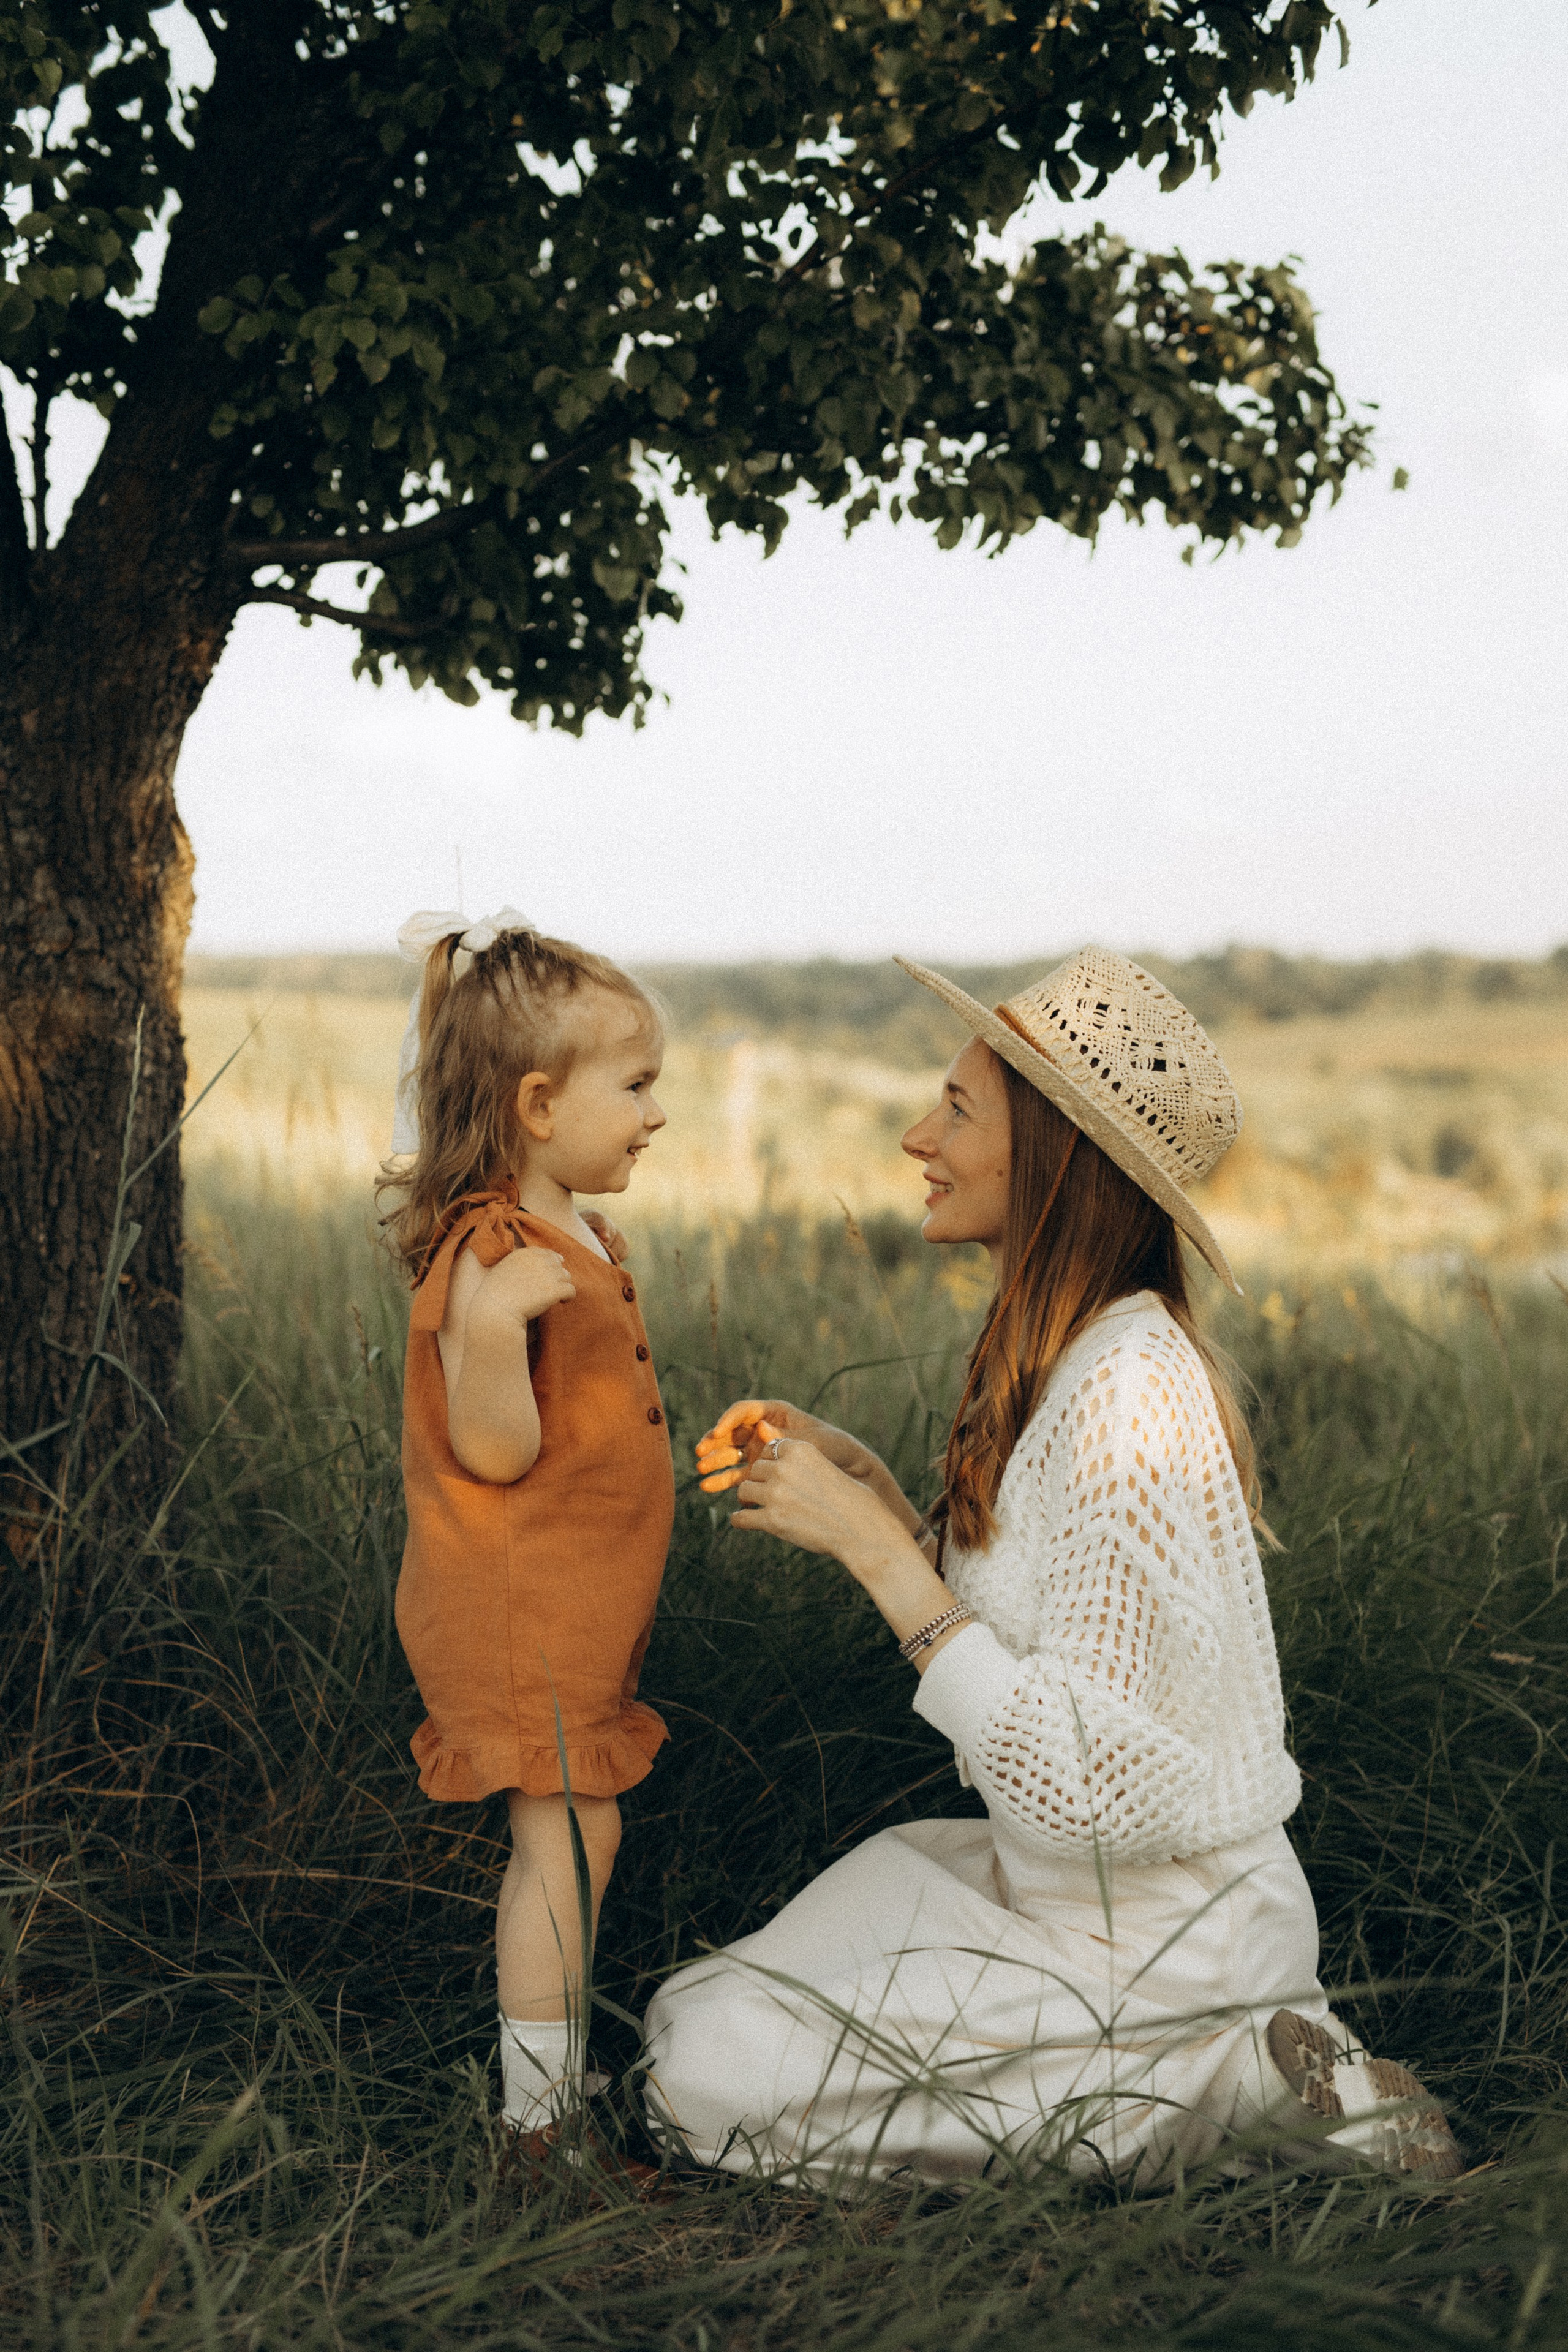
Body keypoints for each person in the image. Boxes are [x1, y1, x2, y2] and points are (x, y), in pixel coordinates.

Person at [644, 947, 1462, 2190]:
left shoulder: (1132, 1397)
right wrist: (878, 1496)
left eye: (959, 1110)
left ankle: (1233, 2077)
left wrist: (876, 1559)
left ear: (1059, 1156)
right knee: (694, 2008)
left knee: (705, 2074)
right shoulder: (1067, 1350)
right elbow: (1047, 1644)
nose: (918, 1135)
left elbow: (1081, 1791)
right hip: (1056, 1894)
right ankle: (1236, 2071)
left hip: (1153, 1933)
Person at [379, 908, 673, 2153]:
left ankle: (544, 2084)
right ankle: (537, 2120)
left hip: (569, 1604)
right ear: (539, 1104)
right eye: (638, 1084)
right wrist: (492, 1330)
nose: (657, 1112)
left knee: (577, 1833)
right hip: (517, 1611)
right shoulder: (489, 1251)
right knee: (569, 1834)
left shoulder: (571, 1231)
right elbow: (492, 1447)